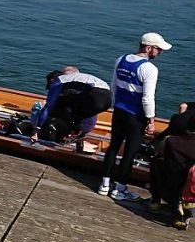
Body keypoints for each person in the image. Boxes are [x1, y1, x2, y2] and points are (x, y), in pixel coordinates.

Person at [99, 32, 172, 200]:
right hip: (136, 115)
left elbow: (113, 86)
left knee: (113, 146)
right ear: (148, 48)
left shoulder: (121, 59)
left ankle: (104, 184)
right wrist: (151, 120)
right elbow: (147, 97)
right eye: (158, 49)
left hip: (119, 111)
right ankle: (120, 189)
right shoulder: (149, 68)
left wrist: (114, 105)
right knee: (130, 152)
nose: (160, 52)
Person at [33, 66, 111, 143]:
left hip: (94, 95)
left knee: (58, 102)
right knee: (77, 112)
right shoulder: (84, 78)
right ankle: (77, 133)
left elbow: (48, 107)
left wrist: (38, 128)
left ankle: (71, 132)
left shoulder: (60, 80)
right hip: (107, 100)